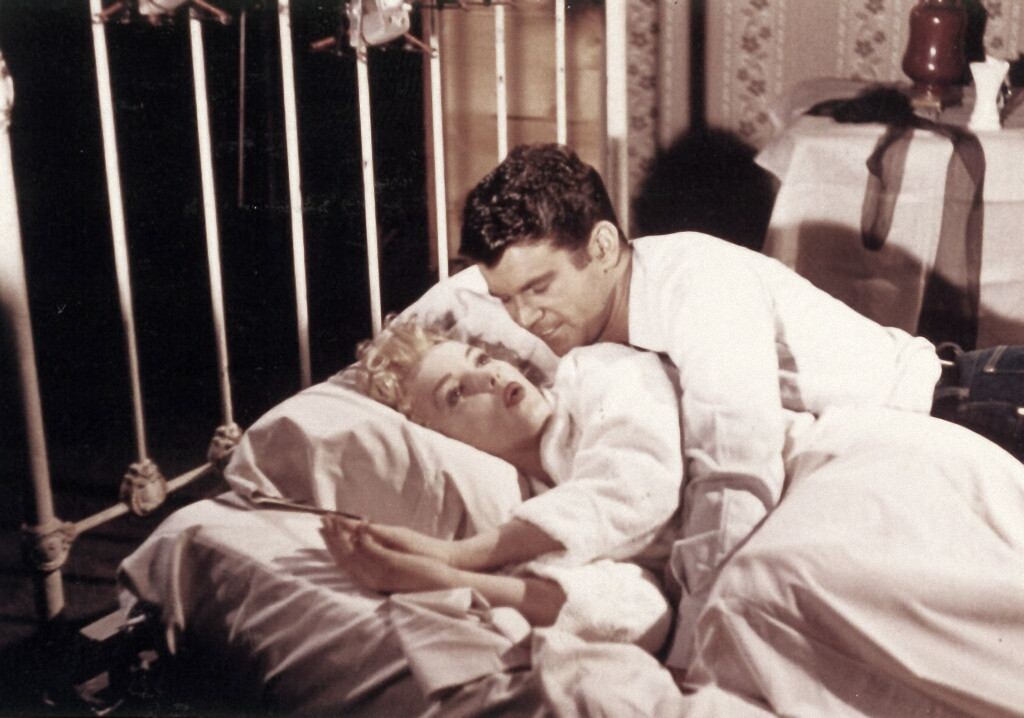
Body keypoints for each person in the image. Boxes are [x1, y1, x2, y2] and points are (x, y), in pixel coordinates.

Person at [457, 141, 1024, 667]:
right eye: (506, 299)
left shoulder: (696, 284)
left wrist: (692, 645)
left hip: (978, 406)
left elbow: (734, 470)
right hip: (938, 442)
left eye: (539, 288)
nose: (525, 318)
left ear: (602, 247)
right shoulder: (593, 342)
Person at [322, 320, 684, 640]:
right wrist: (450, 577)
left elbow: (637, 483)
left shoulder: (596, 368)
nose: (489, 376)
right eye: (456, 393)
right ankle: (445, 583)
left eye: (480, 360)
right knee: (640, 612)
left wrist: (457, 557)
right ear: (445, 442)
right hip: (684, 591)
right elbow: (638, 615)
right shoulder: (522, 506)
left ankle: (449, 580)